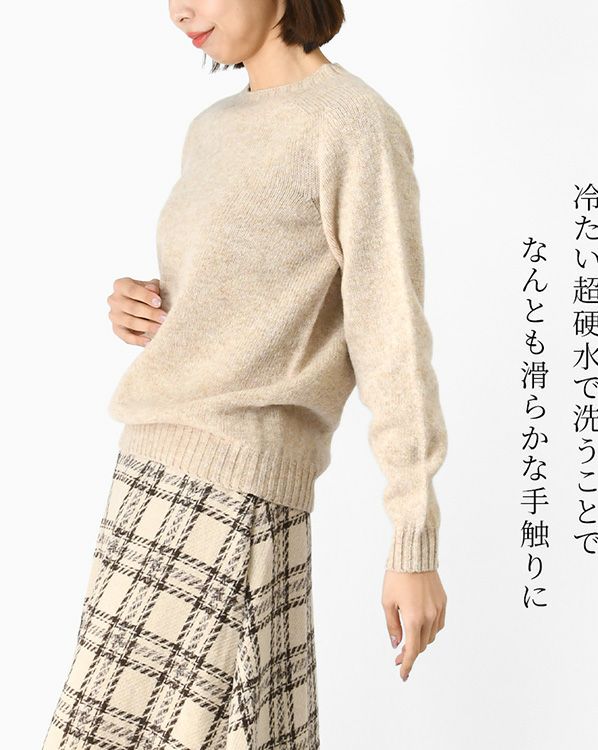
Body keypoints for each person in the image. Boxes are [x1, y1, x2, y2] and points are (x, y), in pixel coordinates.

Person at [42, 1, 448, 747]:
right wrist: (140, 307)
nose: (179, 10)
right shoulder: (212, 128)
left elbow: (391, 338)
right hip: (145, 478)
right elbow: (229, 300)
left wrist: (412, 543)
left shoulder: (352, 123)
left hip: (239, 494)